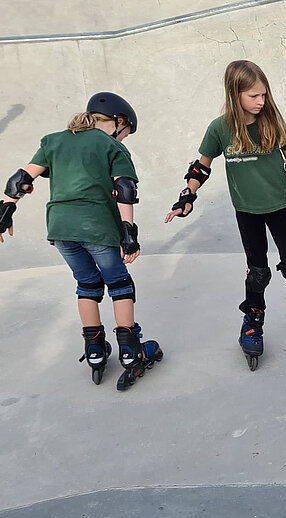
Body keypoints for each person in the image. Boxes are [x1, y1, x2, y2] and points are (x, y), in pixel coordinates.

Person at [165, 59, 286, 370]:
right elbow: (201, 166)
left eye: (264, 95)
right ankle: (252, 324)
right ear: (234, 93)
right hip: (246, 211)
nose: (261, 101)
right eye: (254, 96)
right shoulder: (220, 128)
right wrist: (188, 196)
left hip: (280, 206)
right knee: (258, 272)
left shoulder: (272, 121)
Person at [0, 92, 163, 391]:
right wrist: (129, 233)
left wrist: (6, 209)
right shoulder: (111, 145)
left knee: (87, 283)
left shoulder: (54, 140)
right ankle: (130, 352)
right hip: (96, 226)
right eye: (125, 132)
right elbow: (124, 189)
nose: (124, 138)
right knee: (119, 283)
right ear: (119, 122)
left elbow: (21, 178)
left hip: (60, 228)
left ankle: (95, 350)